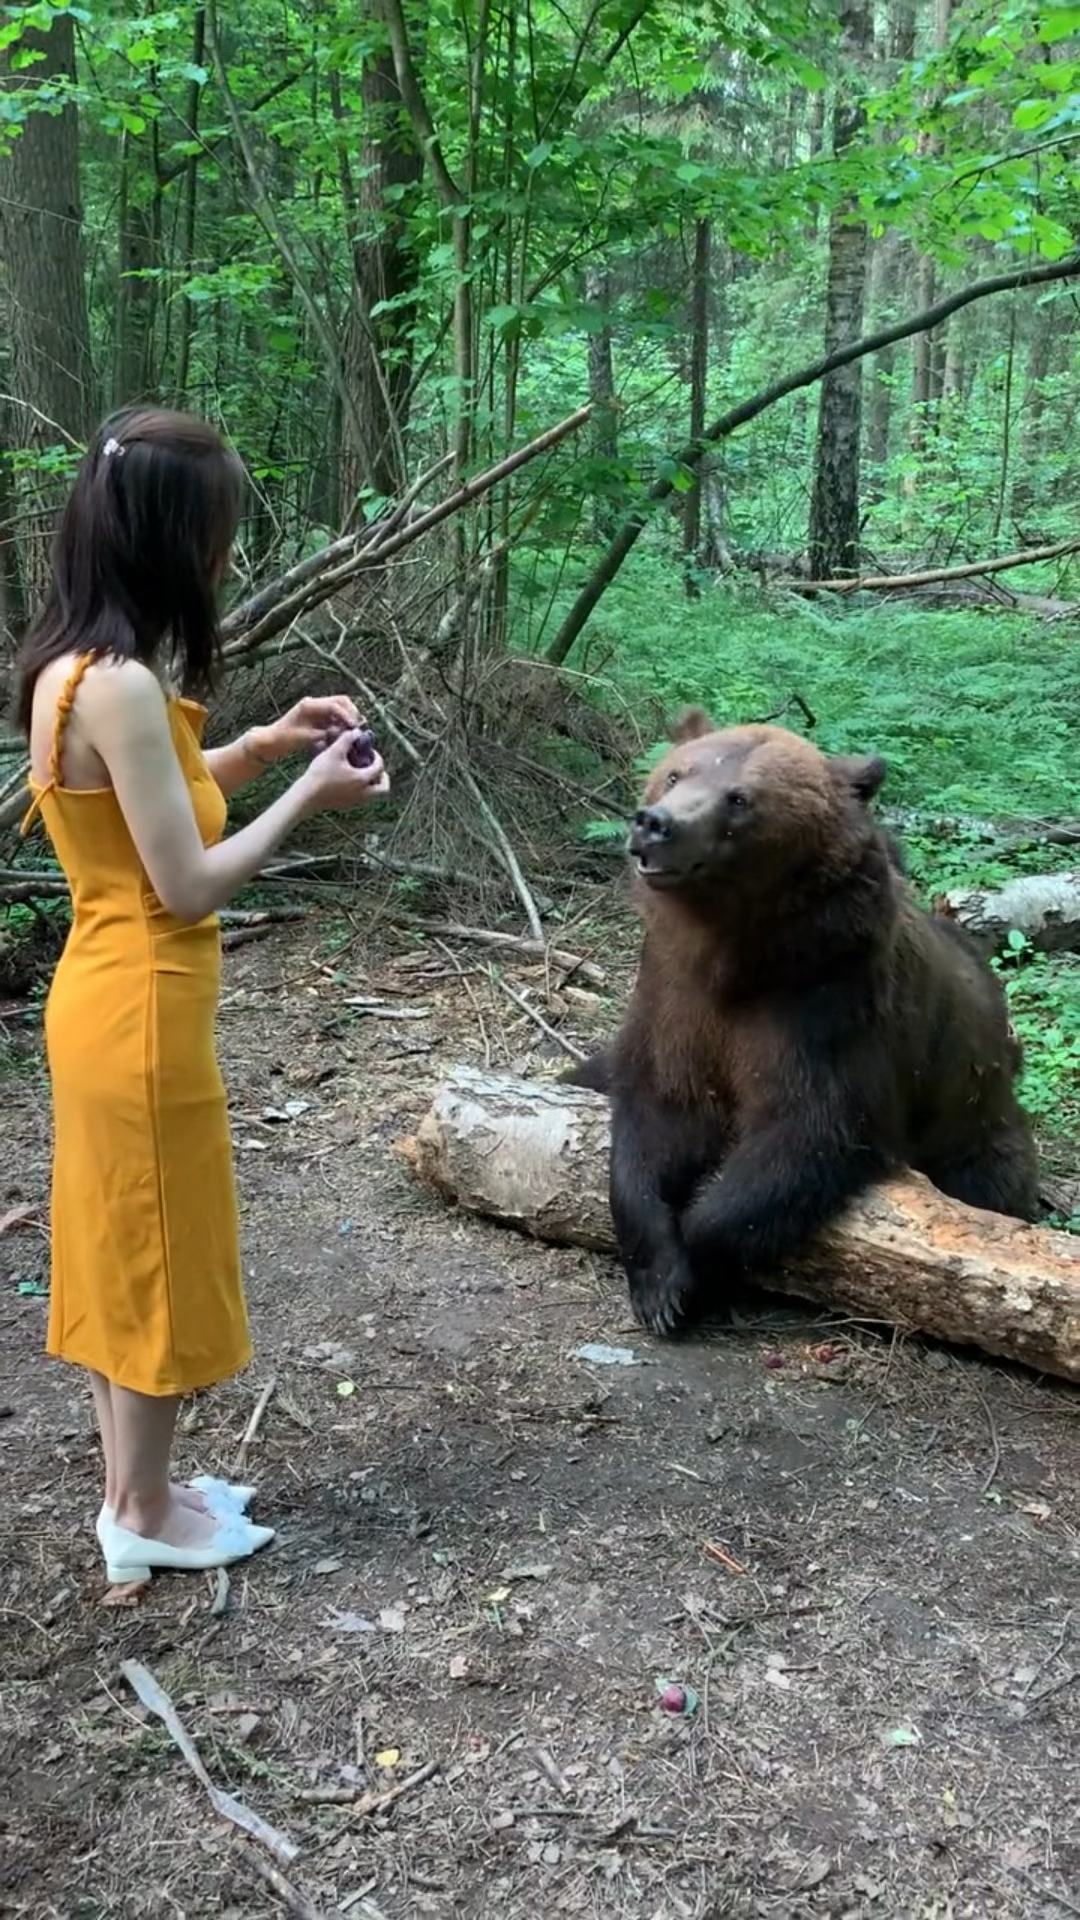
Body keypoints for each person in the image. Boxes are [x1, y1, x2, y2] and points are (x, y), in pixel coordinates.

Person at [14, 406, 389, 1587]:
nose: (226, 557)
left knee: (123, 1248)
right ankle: (142, 1516)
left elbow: (157, 808)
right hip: (140, 1011)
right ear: (169, 540)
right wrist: (313, 801)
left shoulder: (70, 668)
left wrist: (270, 746)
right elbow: (184, 883)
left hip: (100, 997)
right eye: (218, 532)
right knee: (160, 1258)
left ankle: (144, 1492)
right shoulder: (120, 686)